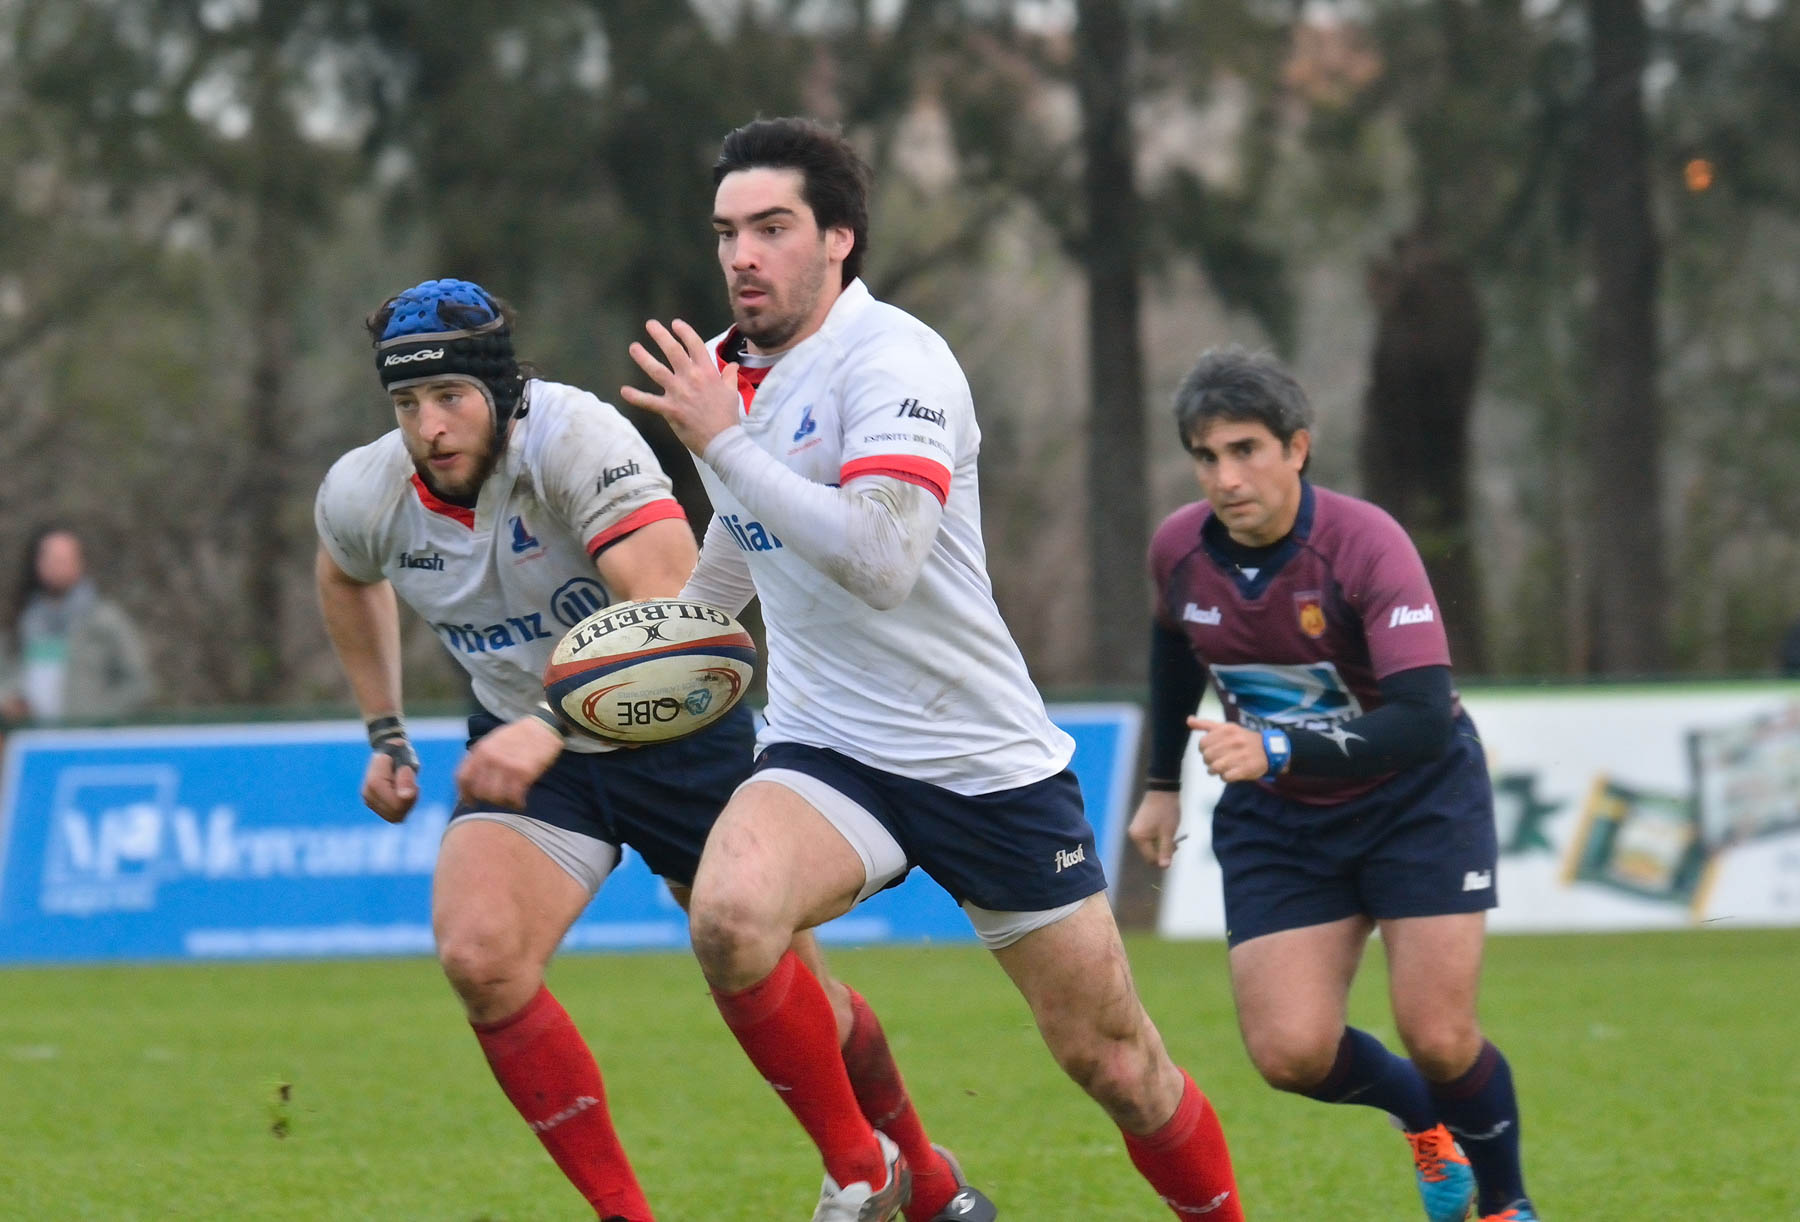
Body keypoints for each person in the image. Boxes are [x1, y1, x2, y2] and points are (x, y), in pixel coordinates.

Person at [620, 116, 1244, 1222]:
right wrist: (680, 641)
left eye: (772, 228)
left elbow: (879, 556)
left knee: (1118, 1065)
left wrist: (722, 445)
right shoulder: (722, 375)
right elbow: (741, 533)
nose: (741, 257)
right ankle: (866, 1172)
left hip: (981, 761)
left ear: (840, 239)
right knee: (726, 915)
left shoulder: (897, 360)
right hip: (828, 750)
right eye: (726, 233)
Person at [314, 277, 985, 1222]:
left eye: (451, 396)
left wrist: (545, 731)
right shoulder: (367, 489)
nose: (429, 426)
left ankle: (901, 1171)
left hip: (674, 731)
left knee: (786, 983)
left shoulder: (573, 440)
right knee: (479, 957)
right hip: (528, 747)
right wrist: (384, 727)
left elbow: (674, 617)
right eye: (407, 403)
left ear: (501, 392)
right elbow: (344, 578)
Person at [1127, 347, 1540, 1222]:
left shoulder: (1362, 543)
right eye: (1206, 457)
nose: (1226, 477)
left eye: (1246, 450)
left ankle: (1506, 1204)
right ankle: (1423, 1122)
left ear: (1298, 448)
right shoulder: (1178, 548)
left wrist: (1275, 748)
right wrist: (1162, 783)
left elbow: (1424, 717)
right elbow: (1172, 651)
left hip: (1416, 800)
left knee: (1438, 1033)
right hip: (1284, 822)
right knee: (1291, 1054)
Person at [0, 525, 153, 727]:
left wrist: (97, 717)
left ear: (80, 563)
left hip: (85, 742)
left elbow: (138, 683)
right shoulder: (20, 621)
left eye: (63, 560)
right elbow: (6, 675)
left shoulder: (106, 620)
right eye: (50, 559)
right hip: (31, 740)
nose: (56, 566)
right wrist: (10, 699)